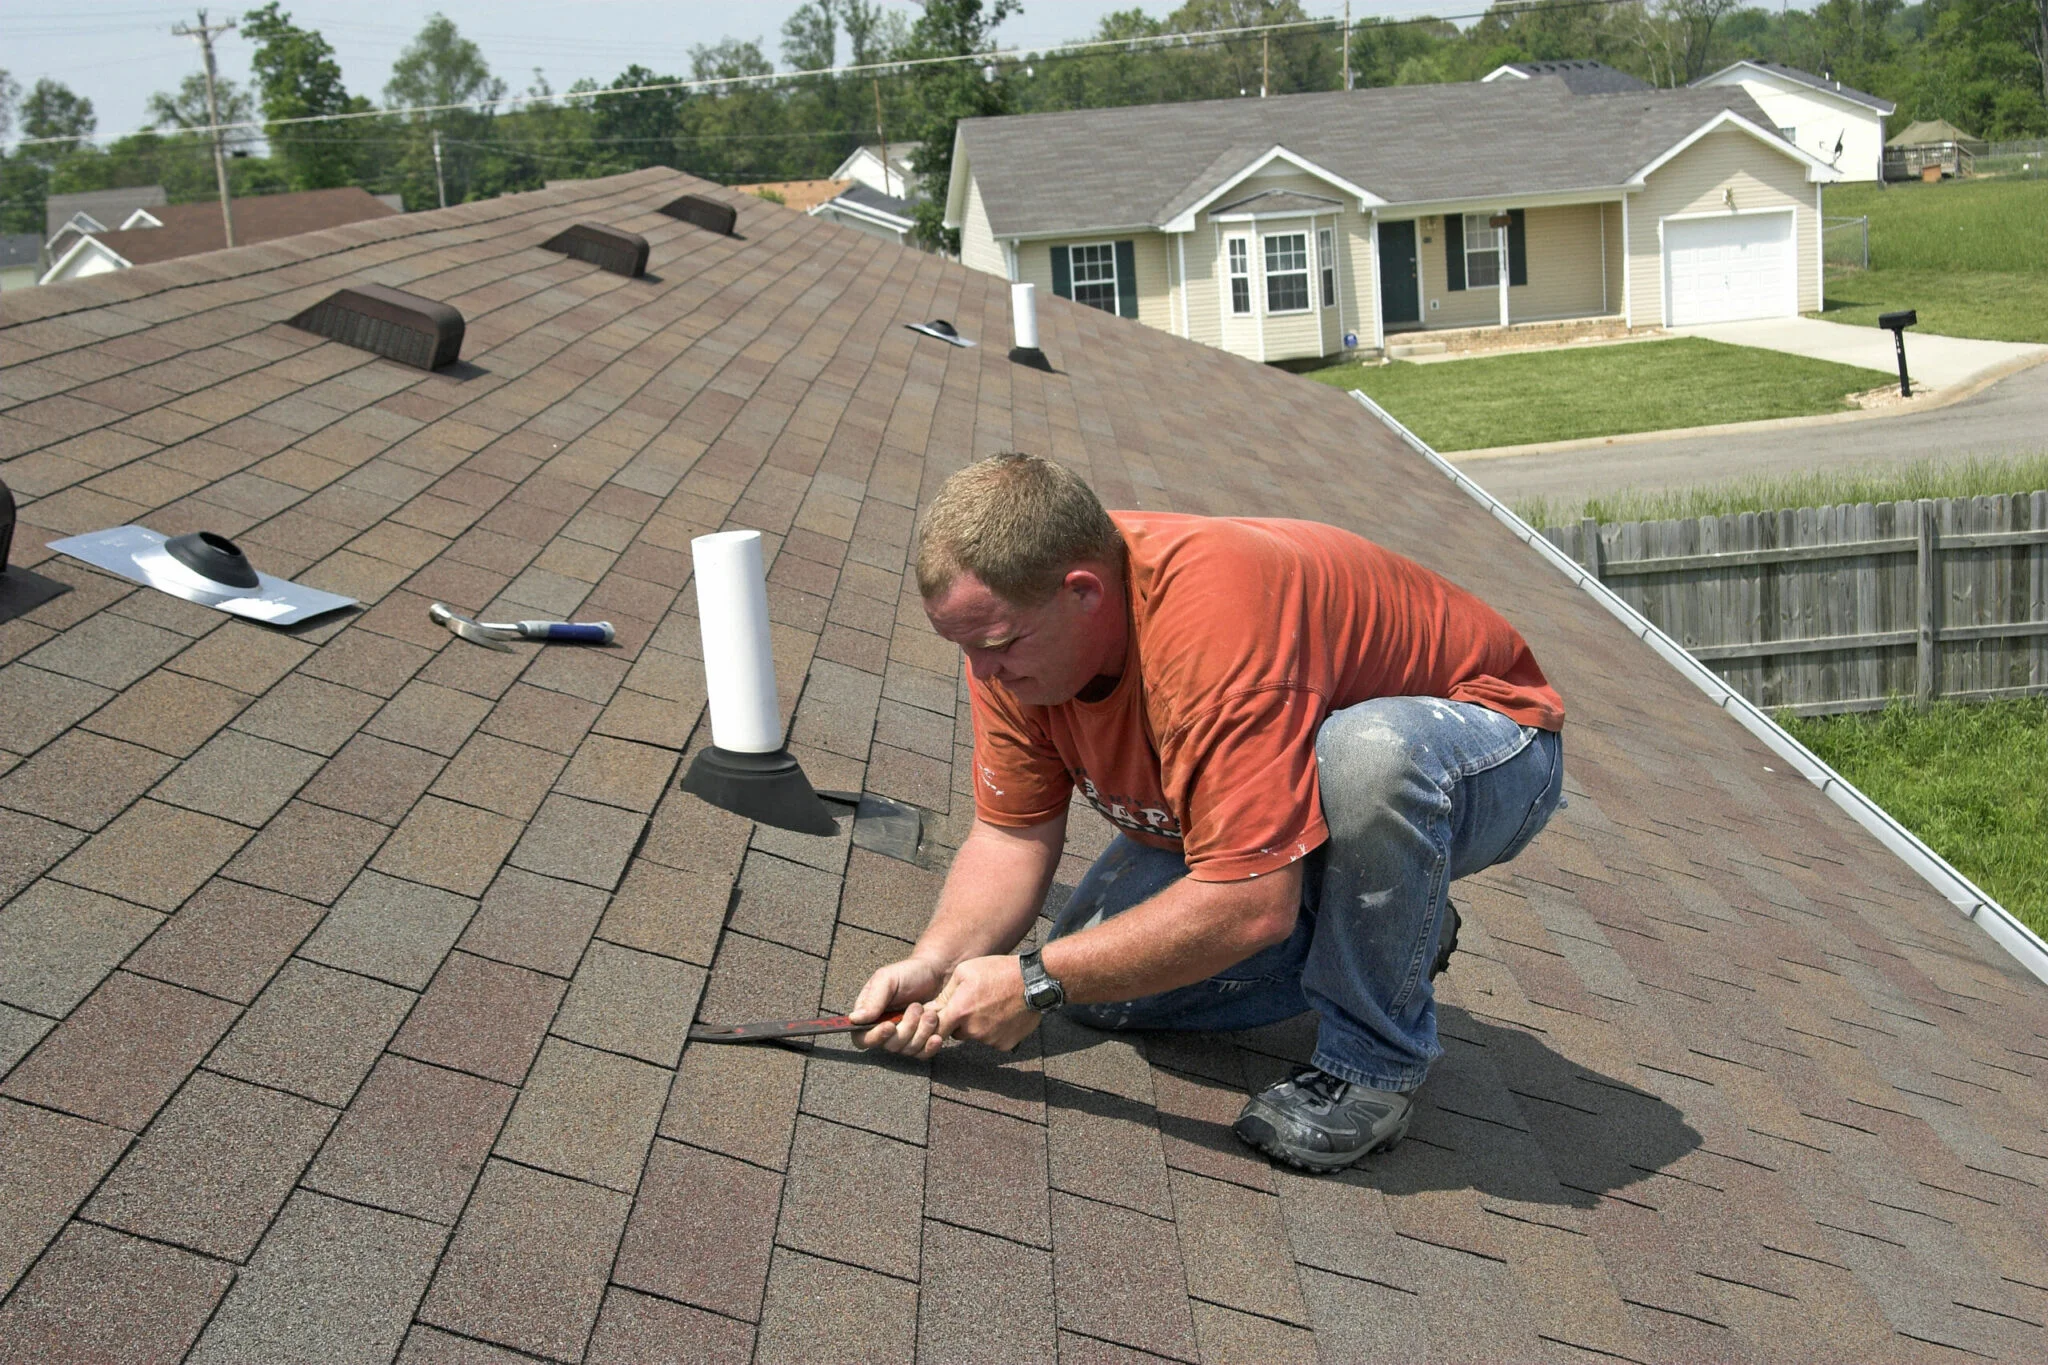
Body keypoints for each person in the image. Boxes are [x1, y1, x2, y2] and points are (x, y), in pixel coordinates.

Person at [851, 453, 1565, 1172]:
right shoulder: (1015, 638)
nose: (981, 672)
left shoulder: (1210, 629)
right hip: (1294, 782)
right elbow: (1013, 832)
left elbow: (1251, 906)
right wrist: (938, 962)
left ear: (1083, 592)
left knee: (1369, 754)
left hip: (1488, 745)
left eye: (996, 645)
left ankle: (1374, 1064)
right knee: (1097, 985)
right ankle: (1390, 924)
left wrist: (1032, 980)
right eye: (963, 647)